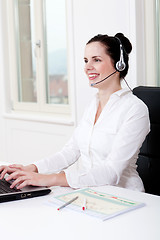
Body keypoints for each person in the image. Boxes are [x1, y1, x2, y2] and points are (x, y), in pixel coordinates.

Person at [0, 33, 150, 192]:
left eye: (96, 60)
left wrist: (50, 179)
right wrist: (32, 169)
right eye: (86, 61)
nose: (87, 67)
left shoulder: (135, 109)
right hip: (88, 191)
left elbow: (111, 172)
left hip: (124, 195)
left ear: (119, 65)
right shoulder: (93, 105)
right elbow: (70, 152)